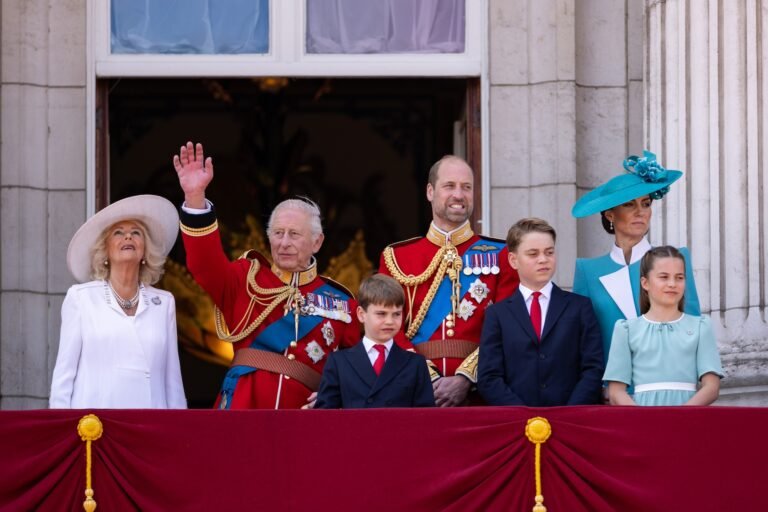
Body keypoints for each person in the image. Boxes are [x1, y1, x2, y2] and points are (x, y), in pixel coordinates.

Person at [172, 141, 360, 409]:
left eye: (294, 234)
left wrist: (337, 393)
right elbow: (204, 264)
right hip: (243, 414)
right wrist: (195, 198)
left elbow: (357, 371)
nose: (284, 243)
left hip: (306, 422)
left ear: (317, 242)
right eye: (278, 233)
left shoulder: (342, 304)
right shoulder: (245, 279)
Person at [379, 155, 519, 407]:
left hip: (480, 395)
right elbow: (386, 327)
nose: (459, 194)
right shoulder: (396, 258)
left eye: (466, 187)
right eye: (449, 186)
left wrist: (466, 377)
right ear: (430, 192)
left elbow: (509, 327)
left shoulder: (501, 255)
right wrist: (426, 376)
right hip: (413, 392)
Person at [50, 195, 187, 409]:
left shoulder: (163, 303)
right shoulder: (81, 299)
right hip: (95, 423)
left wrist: (178, 426)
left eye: (136, 232)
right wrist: (64, 426)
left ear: (145, 250)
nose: (128, 237)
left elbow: (173, 381)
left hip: (150, 421)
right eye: (118, 233)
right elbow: (63, 377)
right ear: (105, 250)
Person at [572, 151, 700, 364]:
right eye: (629, 204)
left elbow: (693, 327)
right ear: (610, 214)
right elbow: (582, 340)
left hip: (669, 378)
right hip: (612, 382)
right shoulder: (588, 271)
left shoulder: (676, 260)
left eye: (646, 203)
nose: (640, 211)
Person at [477, 218, 604, 406]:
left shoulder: (580, 307)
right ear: (513, 260)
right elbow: (489, 376)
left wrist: (569, 412)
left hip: (570, 416)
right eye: (533, 254)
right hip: (516, 418)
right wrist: (524, 415)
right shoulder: (497, 314)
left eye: (549, 252)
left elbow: (593, 368)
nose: (543, 259)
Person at [603, 246, 722, 406]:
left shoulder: (700, 326)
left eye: (679, 278)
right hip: (642, 416)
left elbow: (711, 387)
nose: (672, 284)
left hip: (688, 415)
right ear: (645, 283)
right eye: (664, 277)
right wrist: (642, 418)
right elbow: (616, 391)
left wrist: (680, 415)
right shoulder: (627, 330)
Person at [315, 274, 434, 408]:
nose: (390, 321)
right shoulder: (338, 362)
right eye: (381, 314)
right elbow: (326, 414)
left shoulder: (416, 364)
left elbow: (425, 416)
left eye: (396, 314)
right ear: (361, 314)